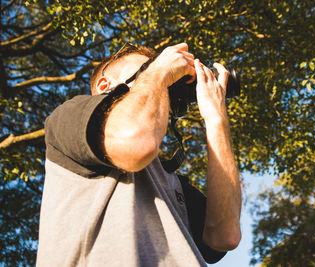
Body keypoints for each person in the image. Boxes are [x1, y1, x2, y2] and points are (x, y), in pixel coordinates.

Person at [36, 43, 242, 266]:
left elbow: (225, 235)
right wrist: (161, 71)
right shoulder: (72, 113)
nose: (166, 82)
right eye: (146, 69)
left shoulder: (171, 182)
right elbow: (136, 143)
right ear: (106, 84)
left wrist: (215, 118)